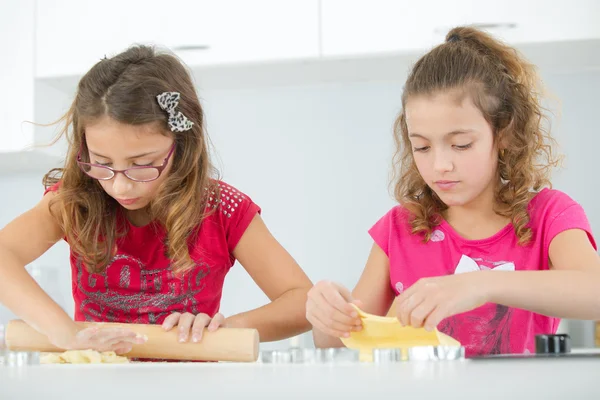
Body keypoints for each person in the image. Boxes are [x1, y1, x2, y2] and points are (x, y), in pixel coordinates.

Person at [306, 26, 600, 357]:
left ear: (502, 133)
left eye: (460, 144)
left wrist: (480, 284)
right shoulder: (401, 228)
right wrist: (327, 315)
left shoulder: (549, 215)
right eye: (422, 147)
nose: (440, 164)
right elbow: (339, 342)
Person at [0, 45, 312, 355]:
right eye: (102, 163)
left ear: (181, 145)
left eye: (141, 165)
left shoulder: (223, 209)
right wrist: (64, 332)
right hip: (95, 384)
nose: (120, 186)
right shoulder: (74, 202)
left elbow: (301, 300)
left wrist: (225, 328)